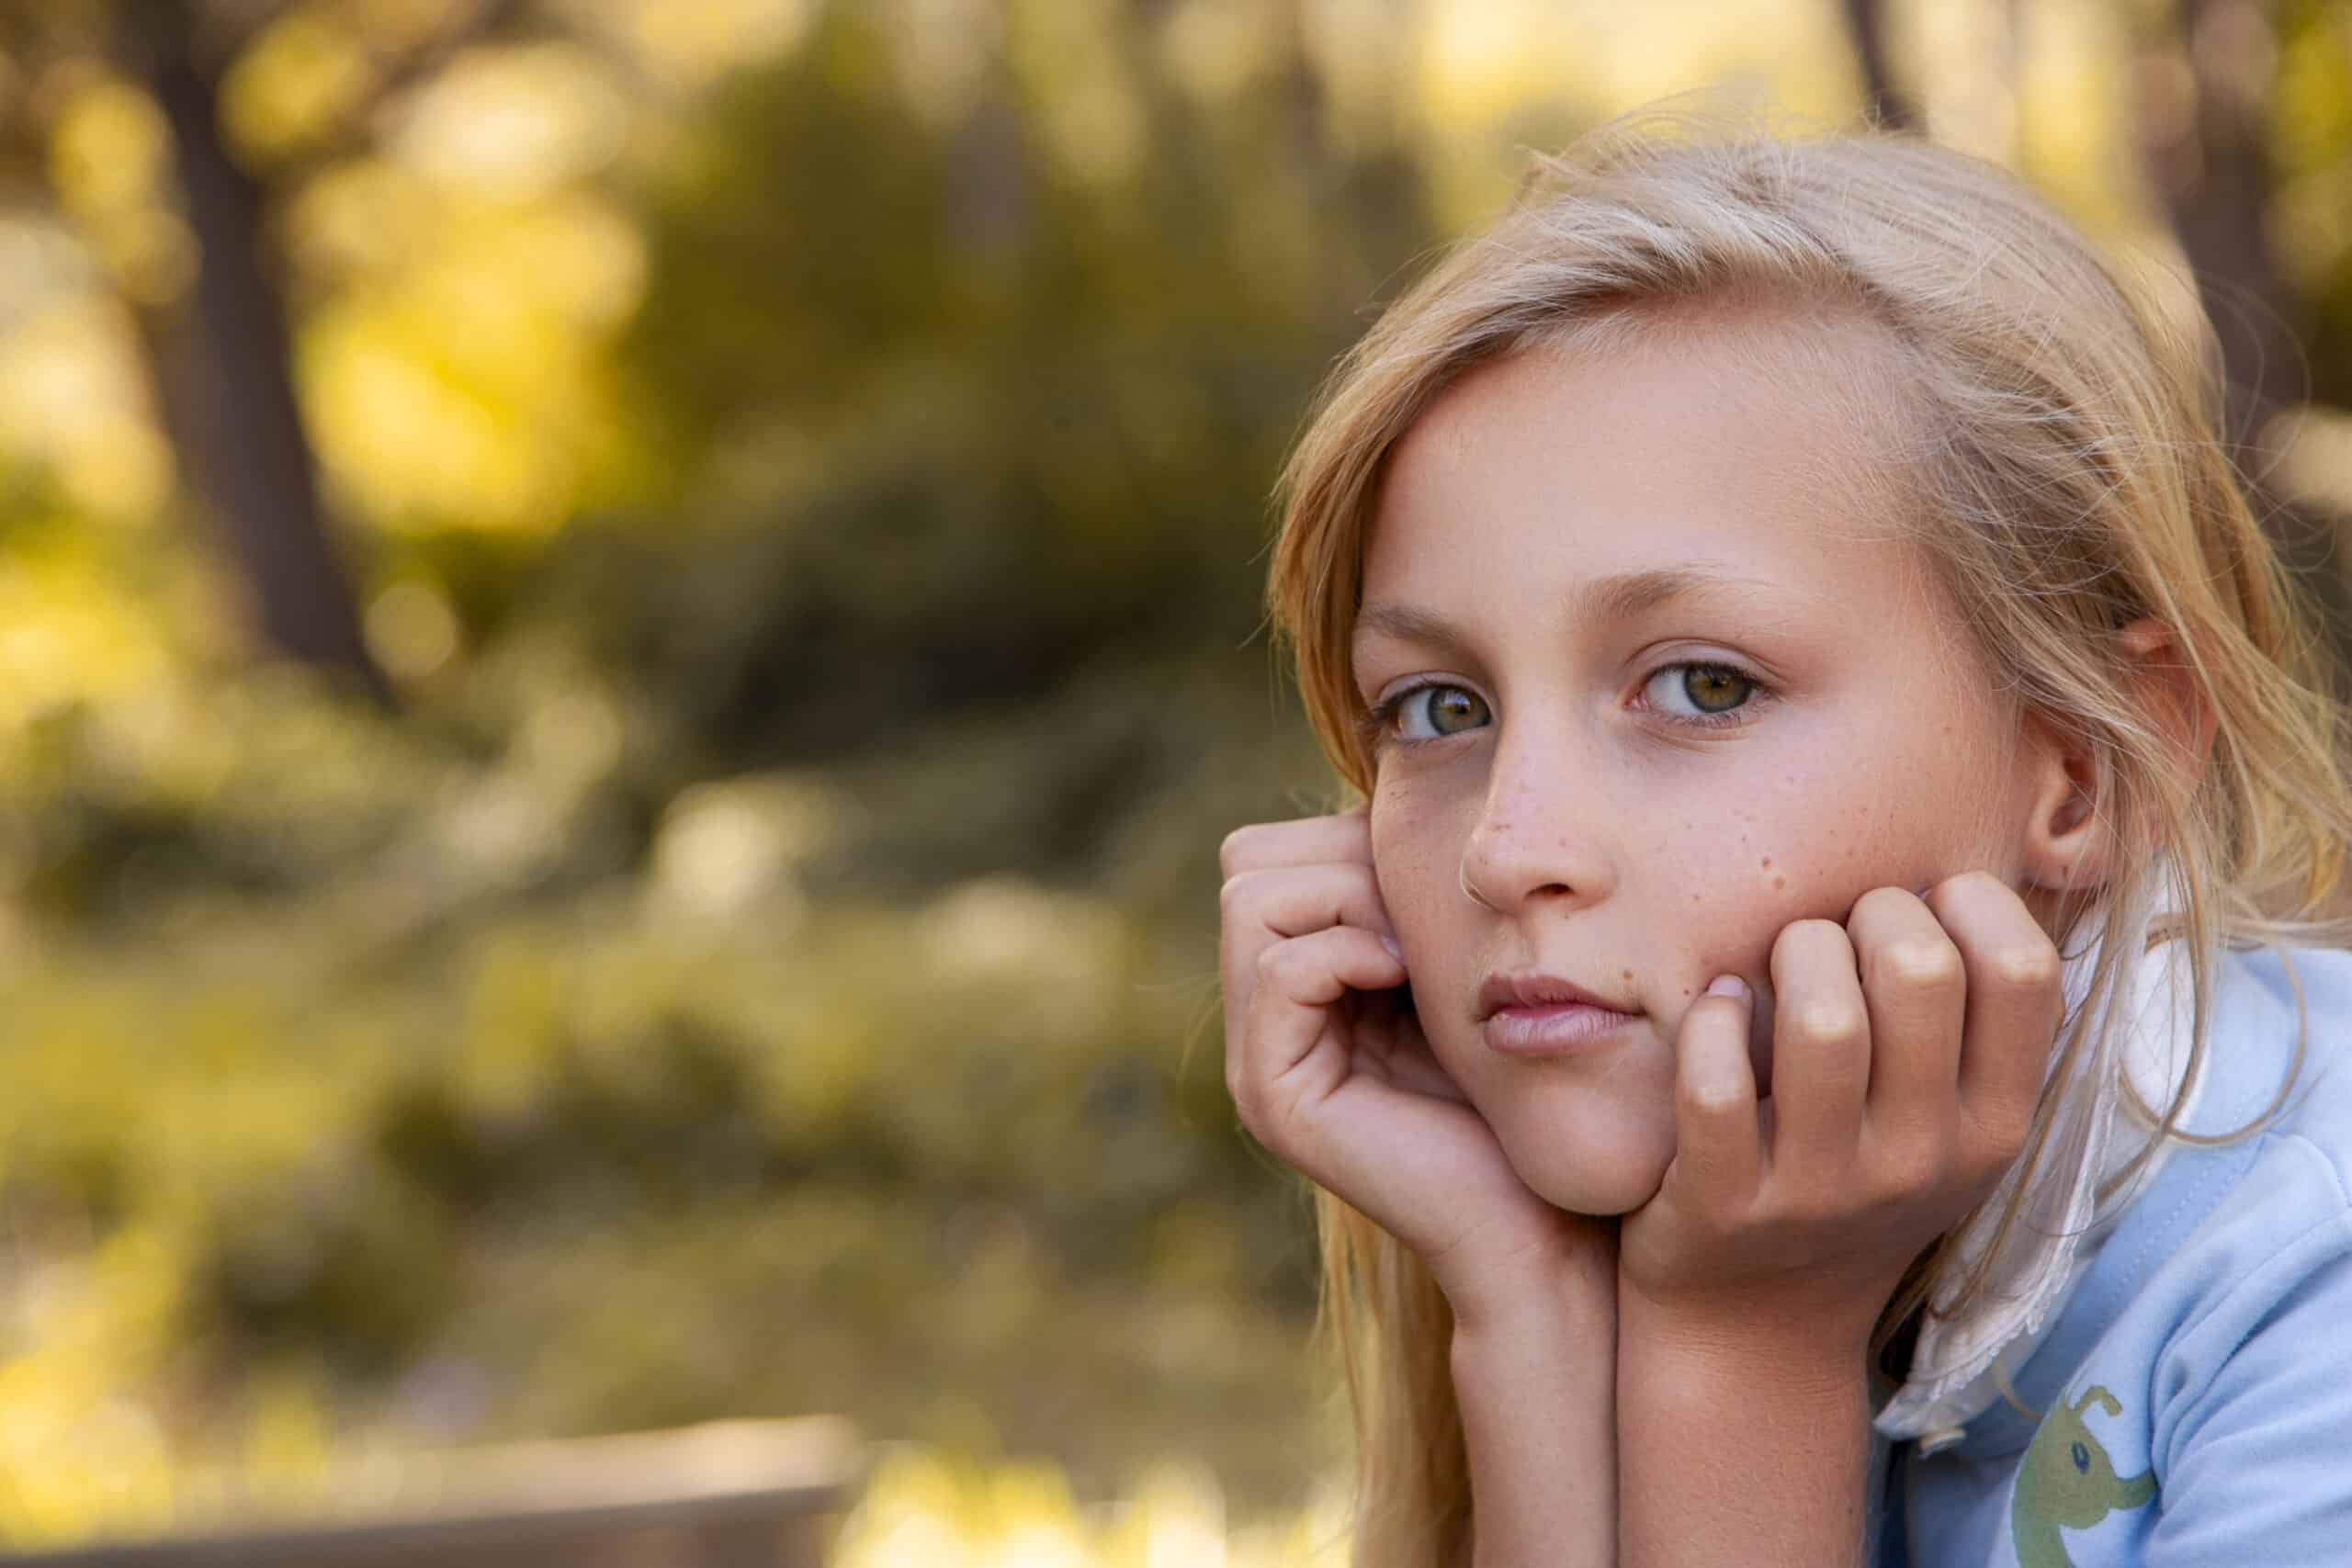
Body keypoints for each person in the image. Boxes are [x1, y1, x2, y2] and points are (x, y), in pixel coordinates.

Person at [1216, 109, 2352, 1568]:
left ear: (2080, 772)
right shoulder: (1672, 1211)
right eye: (1439, 707)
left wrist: (1744, 1352)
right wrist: (1530, 1313)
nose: (1506, 850)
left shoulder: (2307, 1291)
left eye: (1702, 685)